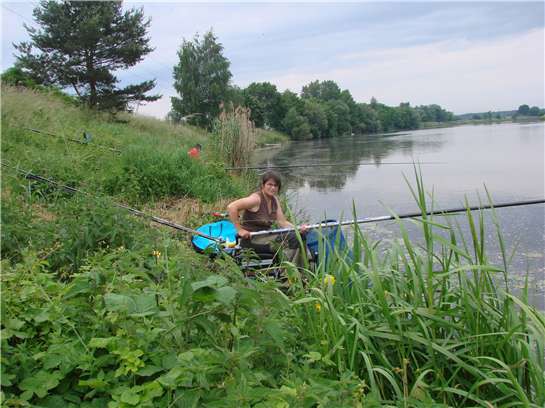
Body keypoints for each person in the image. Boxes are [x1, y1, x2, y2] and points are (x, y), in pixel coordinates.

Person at [227, 170, 309, 267]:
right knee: (293, 238)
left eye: (275, 185)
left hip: (267, 236)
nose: (273, 188)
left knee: (300, 236)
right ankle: (287, 274)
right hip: (252, 240)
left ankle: (301, 270)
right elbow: (232, 207)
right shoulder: (256, 199)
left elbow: (282, 222)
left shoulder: (274, 200)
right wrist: (240, 230)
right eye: (270, 184)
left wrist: (298, 228)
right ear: (263, 185)